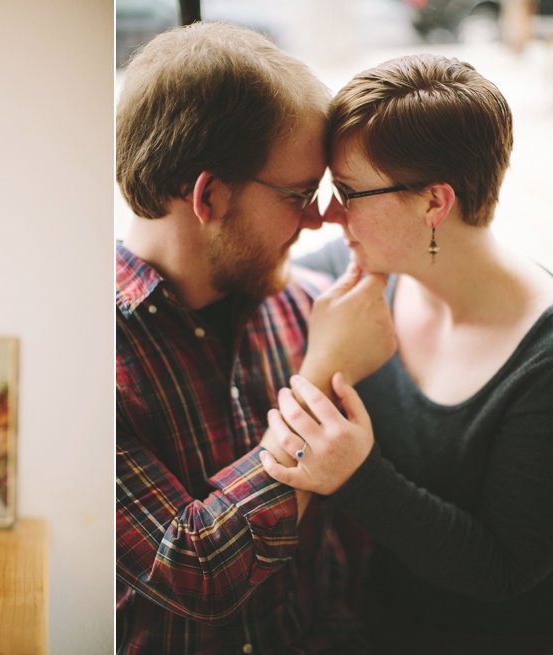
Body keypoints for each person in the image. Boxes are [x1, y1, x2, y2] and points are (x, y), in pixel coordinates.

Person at [116, 22, 396, 654]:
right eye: (301, 193)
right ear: (209, 195)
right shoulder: (85, 354)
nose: (323, 216)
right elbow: (193, 570)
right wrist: (320, 373)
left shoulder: (301, 306)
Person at [261, 54, 553, 653]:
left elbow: (504, 570)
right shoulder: (360, 272)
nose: (326, 215)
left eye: (347, 192)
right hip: (358, 618)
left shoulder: (542, 362)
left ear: (433, 204)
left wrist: (356, 476)